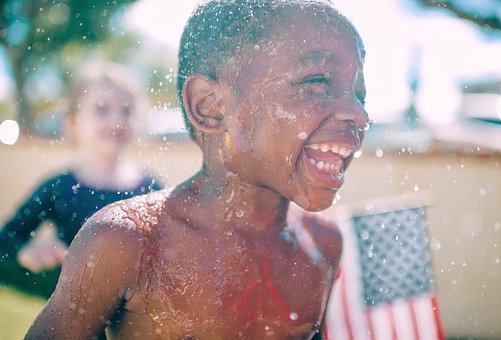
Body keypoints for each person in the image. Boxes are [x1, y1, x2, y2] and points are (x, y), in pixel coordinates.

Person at [26, 0, 370, 338]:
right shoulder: (130, 243)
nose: (359, 114)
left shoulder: (323, 244)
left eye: (360, 95)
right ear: (210, 107)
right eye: (318, 82)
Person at [0, 60, 162, 298]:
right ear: (73, 123)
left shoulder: (150, 190)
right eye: (101, 108)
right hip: (72, 323)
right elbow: (6, 239)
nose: (116, 120)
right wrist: (26, 252)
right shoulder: (59, 188)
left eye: (126, 111)